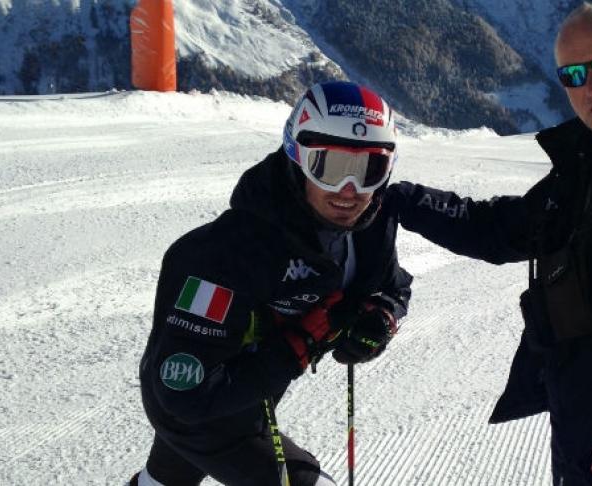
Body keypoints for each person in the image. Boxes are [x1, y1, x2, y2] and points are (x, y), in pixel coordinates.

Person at [388, 2, 592, 485]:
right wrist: (399, 199)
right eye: (573, 74)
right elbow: (502, 227)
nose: (591, 87)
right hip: (578, 427)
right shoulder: (591, 165)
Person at [130, 81, 412, 486]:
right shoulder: (222, 255)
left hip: (251, 393)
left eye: (370, 169)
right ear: (296, 158)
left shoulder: (367, 227)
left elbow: (392, 285)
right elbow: (185, 393)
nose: (349, 190)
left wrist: (381, 317)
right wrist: (298, 346)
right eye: (329, 167)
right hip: (196, 416)